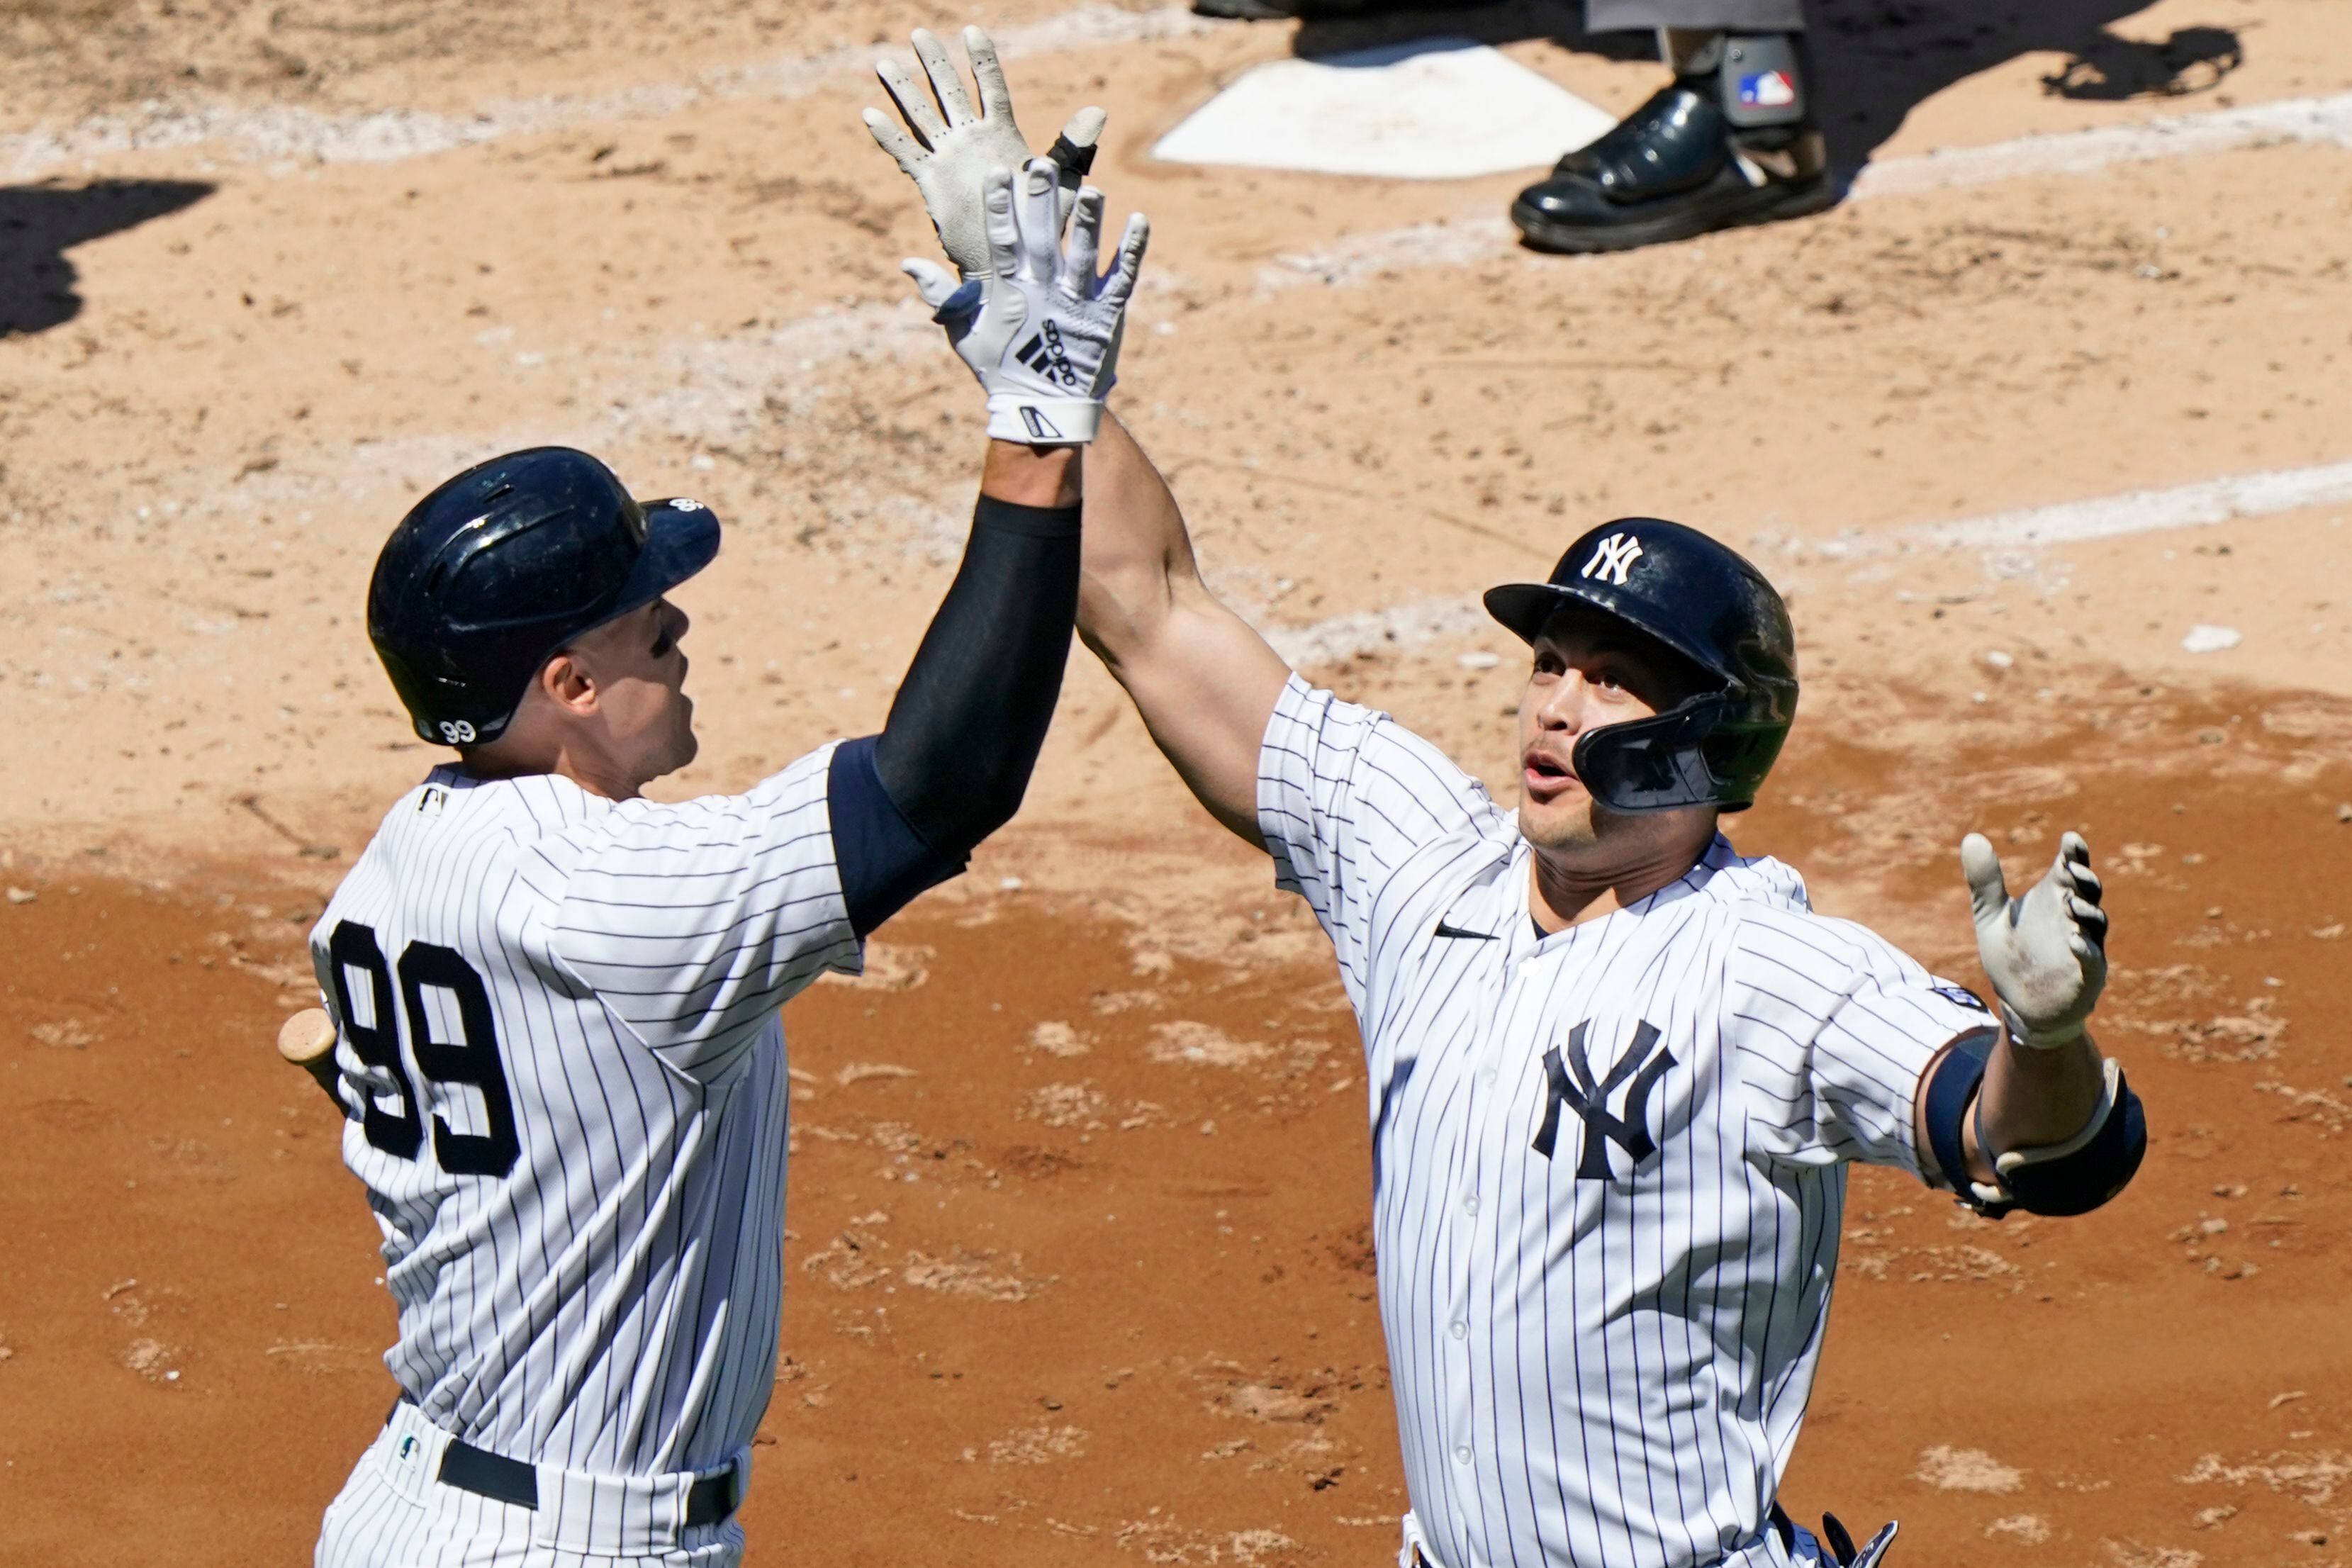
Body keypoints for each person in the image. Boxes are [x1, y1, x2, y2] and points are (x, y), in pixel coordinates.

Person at [869, 57, 2145, 1568]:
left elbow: (2038, 1147)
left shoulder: (1761, 969)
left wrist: (2045, 1040)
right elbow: (1149, 606)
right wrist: (1042, 365)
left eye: (1608, 680)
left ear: (1704, 736)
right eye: (1548, 659)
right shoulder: (1418, 855)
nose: (1551, 704)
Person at [301, 153, 1146, 1566]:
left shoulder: (393, 865)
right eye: (650, 621)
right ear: (567, 682)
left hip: (412, 1508)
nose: (680, 632)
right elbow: (942, 786)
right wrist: (1036, 428)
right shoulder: (611, 898)